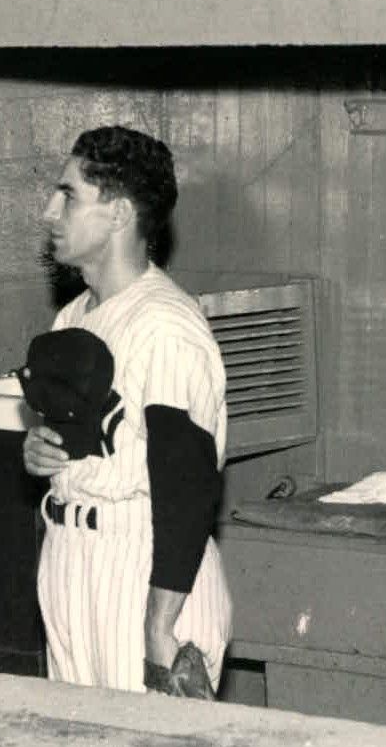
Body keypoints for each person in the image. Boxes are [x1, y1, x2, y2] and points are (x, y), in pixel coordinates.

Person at [21, 127, 234, 695]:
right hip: (73, 559)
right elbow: (101, 443)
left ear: (118, 215)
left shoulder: (166, 324)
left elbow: (186, 486)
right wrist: (43, 452)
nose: (50, 212)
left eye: (68, 196)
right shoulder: (71, 318)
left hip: (143, 569)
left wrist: (159, 626)